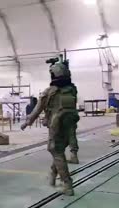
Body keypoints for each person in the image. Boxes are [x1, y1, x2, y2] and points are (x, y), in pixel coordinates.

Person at [21, 60, 79, 196]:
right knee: (59, 150)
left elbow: (36, 111)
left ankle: (67, 184)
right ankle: (52, 175)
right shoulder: (72, 89)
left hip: (56, 125)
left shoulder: (49, 92)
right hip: (70, 125)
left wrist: (27, 123)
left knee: (55, 150)